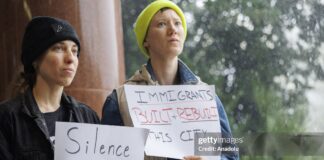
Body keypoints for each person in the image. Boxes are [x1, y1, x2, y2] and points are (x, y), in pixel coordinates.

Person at [101, 0, 239, 160]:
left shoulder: (207, 98)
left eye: (178, 23)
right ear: (146, 40)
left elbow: (230, 155)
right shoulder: (119, 100)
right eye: (161, 24)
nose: (173, 29)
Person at [0, 16, 100, 160]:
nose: (71, 58)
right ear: (35, 60)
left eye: (74, 51)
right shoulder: (6, 117)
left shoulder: (87, 117)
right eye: (59, 48)